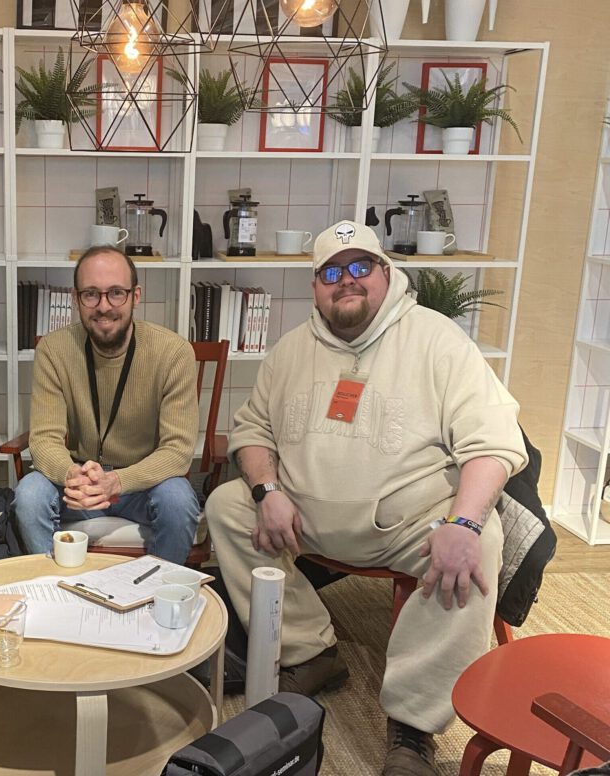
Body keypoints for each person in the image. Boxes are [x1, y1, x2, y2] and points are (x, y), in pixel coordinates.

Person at [206, 221, 527, 776]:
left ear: (386, 273)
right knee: (227, 506)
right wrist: (268, 491)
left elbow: (494, 443)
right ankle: (312, 652)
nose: (346, 281)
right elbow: (252, 431)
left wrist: (466, 524)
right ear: (315, 286)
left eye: (360, 267)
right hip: (302, 513)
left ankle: (412, 728)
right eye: (332, 271)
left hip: (409, 524)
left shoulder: (437, 340)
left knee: (481, 541)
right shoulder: (289, 351)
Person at [14, 245, 201, 565]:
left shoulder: (174, 353)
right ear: (75, 298)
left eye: (116, 293)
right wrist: (71, 473)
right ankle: (55, 590)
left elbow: (178, 450)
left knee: (179, 499)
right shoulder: (53, 350)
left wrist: (117, 481)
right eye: (91, 294)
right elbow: (44, 439)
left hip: (143, 485)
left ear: (136, 296)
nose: (104, 306)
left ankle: (158, 592)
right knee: (29, 493)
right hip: (78, 486)